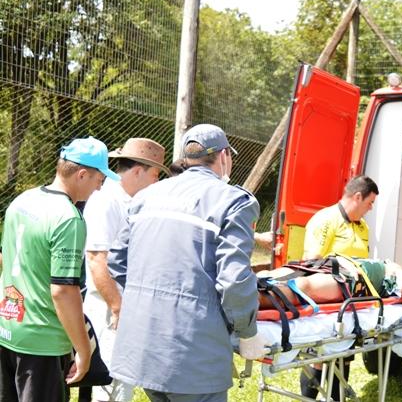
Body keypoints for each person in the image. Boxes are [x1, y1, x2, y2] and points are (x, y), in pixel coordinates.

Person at [107, 124, 266, 402]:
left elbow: (118, 261)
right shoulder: (233, 202)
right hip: (194, 357)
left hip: (142, 349)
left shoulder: (145, 196)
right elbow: (234, 279)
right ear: (225, 156)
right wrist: (247, 332)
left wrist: (150, 297)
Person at [0, 137, 119, 402]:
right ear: (82, 174)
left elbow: (4, 258)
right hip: (42, 342)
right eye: (100, 180)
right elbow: (63, 291)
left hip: (8, 330)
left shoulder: (22, 200)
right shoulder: (68, 218)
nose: (99, 189)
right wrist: (84, 352)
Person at [82, 138, 169, 402]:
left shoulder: (127, 200)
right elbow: (97, 260)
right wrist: (119, 308)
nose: (155, 183)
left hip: (120, 303)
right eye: (155, 175)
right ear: (137, 171)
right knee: (110, 384)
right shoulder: (107, 202)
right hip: (108, 307)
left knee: (122, 381)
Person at [298, 175, 379, 401]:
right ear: (357, 196)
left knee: (343, 357)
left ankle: (336, 398)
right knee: (319, 358)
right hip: (326, 302)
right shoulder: (325, 219)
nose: (371, 208)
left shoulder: (362, 227)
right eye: (369, 202)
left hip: (350, 303)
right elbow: (311, 262)